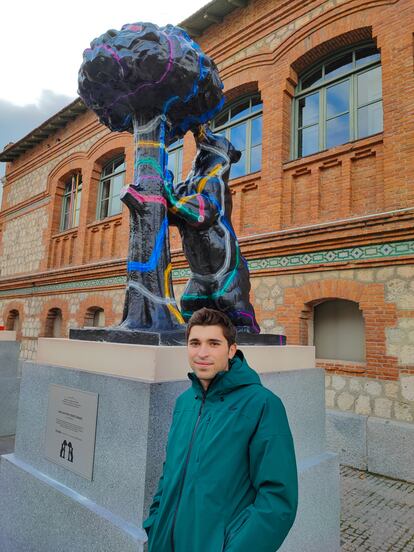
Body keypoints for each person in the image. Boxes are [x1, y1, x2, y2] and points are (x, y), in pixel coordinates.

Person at [143, 307, 298, 552]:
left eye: (213, 343)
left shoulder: (263, 404)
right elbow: (170, 472)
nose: (202, 353)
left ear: (231, 350)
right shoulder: (184, 403)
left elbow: (277, 499)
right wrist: (155, 525)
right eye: (195, 343)